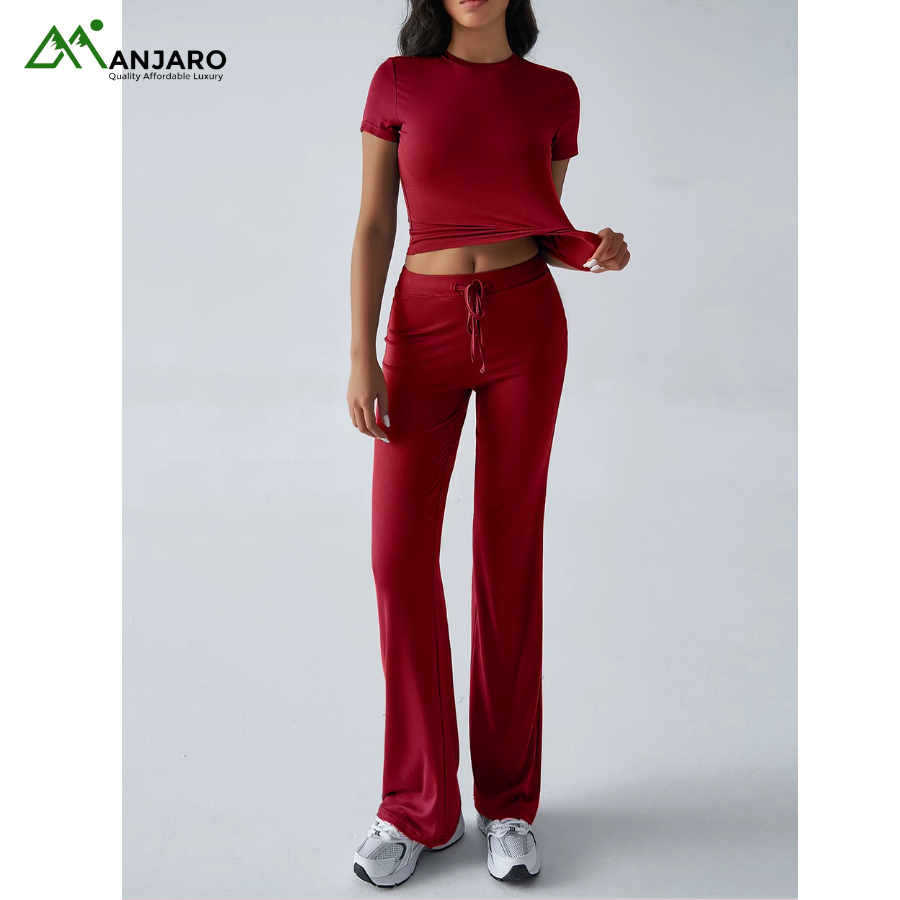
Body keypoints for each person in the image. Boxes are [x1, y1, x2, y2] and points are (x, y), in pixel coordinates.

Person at [347, 0, 630, 887]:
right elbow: (376, 224)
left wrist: (590, 250)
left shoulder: (553, 92)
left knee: (507, 556)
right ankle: (416, 807)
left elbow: (537, 222)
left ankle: (508, 804)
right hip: (420, 329)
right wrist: (360, 354)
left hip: (525, 329)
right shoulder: (398, 84)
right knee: (397, 557)